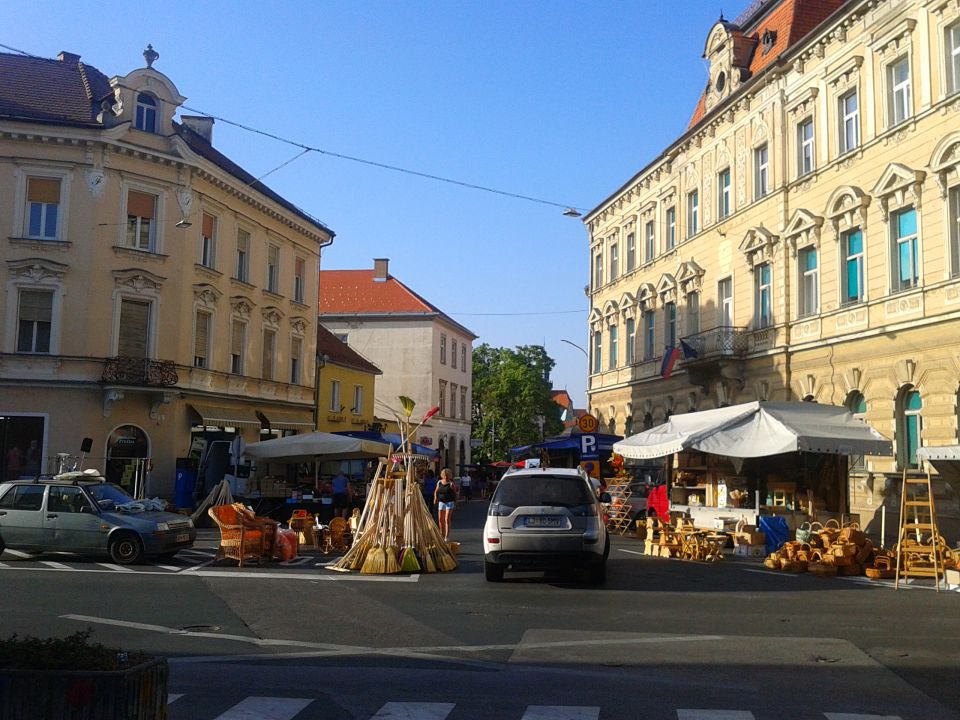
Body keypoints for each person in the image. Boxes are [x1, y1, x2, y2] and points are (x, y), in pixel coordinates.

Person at [433, 468, 457, 540]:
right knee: (440, 519)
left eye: (447, 476)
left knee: (447, 519)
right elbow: (436, 491)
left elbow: (455, 494)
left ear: (450, 476)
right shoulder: (439, 482)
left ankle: (446, 536)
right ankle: (441, 534)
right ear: (442, 475)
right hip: (441, 502)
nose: (446, 477)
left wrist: (456, 503)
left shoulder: (451, 484)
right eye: (444, 475)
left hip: (449, 502)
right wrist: (435, 498)